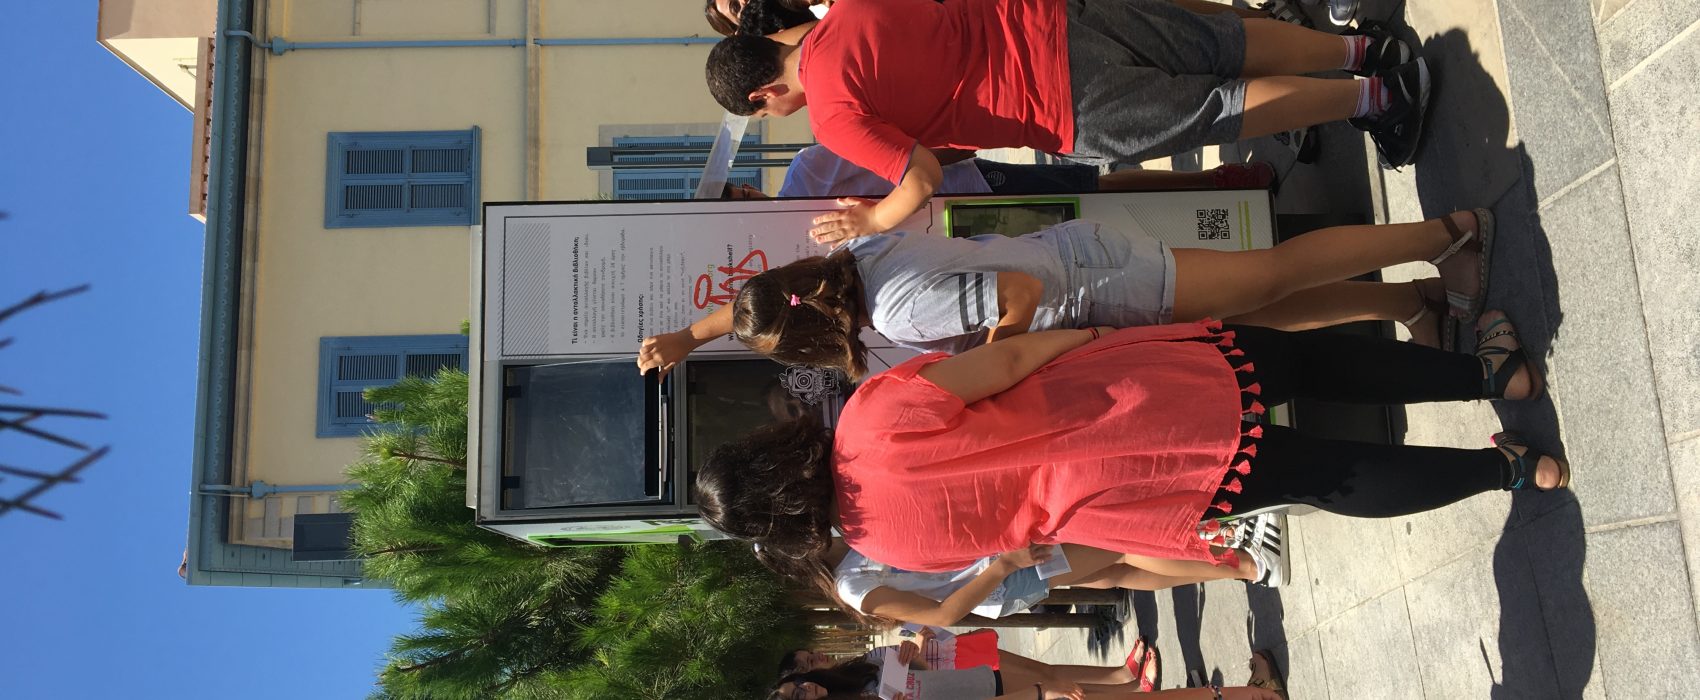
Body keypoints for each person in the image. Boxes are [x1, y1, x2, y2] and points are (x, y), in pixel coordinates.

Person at [695, 313, 1568, 575]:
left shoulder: (881, 545)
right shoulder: (865, 419)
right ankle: (1491, 375)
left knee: (1322, 476)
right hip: (1112, 400)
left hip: (1122, 499)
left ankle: (1510, 471)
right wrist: (1090, 335)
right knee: (1303, 364)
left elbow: (1017, 543)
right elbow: (1008, 361)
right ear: (767, 448)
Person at [704, 0, 1427, 246]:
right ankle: (1362, 51)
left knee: (1219, 107)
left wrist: (869, 220)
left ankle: (1376, 98)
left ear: (765, 92)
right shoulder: (847, 11)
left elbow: (920, 178)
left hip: (1053, 103)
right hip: (1048, 19)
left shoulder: (834, 117)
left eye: (764, 113)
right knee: (1223, 43)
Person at [636, 209, 1493, 378]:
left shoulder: (896, 312)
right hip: (1086, 264)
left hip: (1102, 286)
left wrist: (993, 363)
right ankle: (1408, 303)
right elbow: (769, 310)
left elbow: (1013, 293)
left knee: (1269, 274)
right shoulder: (854, 256)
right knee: (1265, 308)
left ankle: (1446, 234)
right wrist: (693, 334)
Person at [726, 144, 1278, 200]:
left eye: (737, 196)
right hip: (961, 247)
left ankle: (1212, 181)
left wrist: (960, 149)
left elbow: (905, 153)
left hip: (974, 188)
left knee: (1093, 187)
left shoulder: (809, 170)